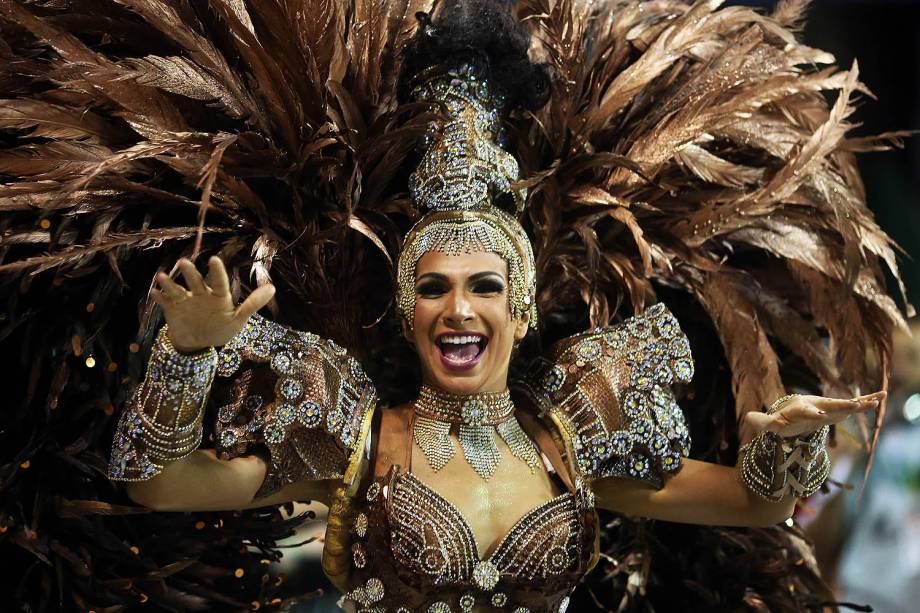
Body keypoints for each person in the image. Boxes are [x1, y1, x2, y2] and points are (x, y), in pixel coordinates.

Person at [106, 3, 885, 610]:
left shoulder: (573, 443)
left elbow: (756, 506)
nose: (459, 309)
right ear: (407, 310)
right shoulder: (356, 439)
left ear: (520, 311)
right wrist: (185, 356)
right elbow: (161, 485)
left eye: (484, 287)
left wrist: (786, 446)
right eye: (435, 288)